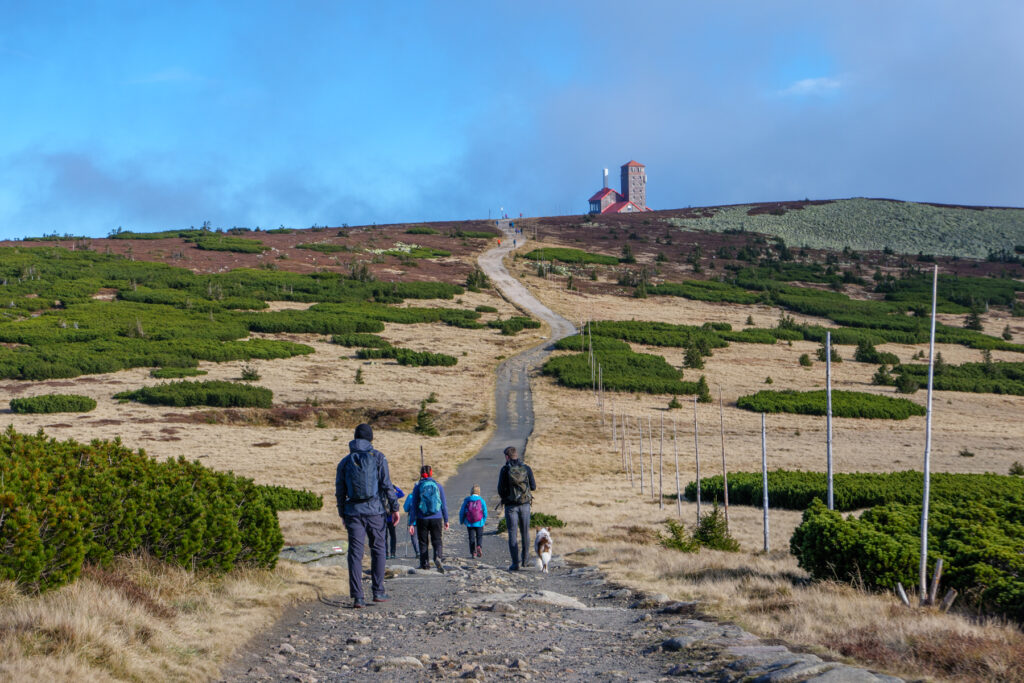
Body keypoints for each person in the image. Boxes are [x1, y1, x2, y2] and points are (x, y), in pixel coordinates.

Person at [335, 423, 400, 608]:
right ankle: (378, 591)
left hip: (353, 513)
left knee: (355, 554)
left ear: (355, 438)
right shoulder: (379, 457)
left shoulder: (345, 462)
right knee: (378, 549)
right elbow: (387, 485)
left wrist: (342, 513)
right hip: (375, 512)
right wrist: (395, 508)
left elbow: (340, 491)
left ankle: (358, 597)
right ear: (371, 438)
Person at [497, 445, 536, 571]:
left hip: (511, 506)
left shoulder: (504, 470)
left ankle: (515, 563)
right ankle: (525, 561)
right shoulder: (526, 468)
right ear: (516, 455)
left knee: (512, 534)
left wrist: (507, 497)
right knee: (525, 533)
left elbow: (500, 490)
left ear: (507, 457)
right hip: (525, 505)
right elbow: (533, 487)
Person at [407, 465, 449, 573]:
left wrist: (411, 522)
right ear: (431, 473)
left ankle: (424, 564)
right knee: (437, 539)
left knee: (423, 541)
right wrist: (446, 519)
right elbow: (443, 504)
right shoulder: (438, 486)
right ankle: (438, 558)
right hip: (437, 517)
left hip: (422, 518)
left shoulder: (418, 487)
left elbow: (414, 506)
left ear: (421, 474)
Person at [459, 484, 488, 558]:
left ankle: (473, 552)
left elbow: (462, 511)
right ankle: (479, 546)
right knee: (479, 536)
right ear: (479, 492)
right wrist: (483, 521)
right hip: (479, 523)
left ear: (471, 491)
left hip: (469, 523)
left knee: (471, 537)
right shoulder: (481, 500)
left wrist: (461, 520)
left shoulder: (467, 500)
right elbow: (485, 512)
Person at [386, 485, 405, 559]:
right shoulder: (394, 495)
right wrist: (396, 487)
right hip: (392, 519)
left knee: (384, 537)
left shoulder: (384, 495)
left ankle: (386, 553)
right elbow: (402, 493)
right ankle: (393, 553)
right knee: (393, 536)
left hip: (383, 519)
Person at [403, 482, 420, 558]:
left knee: (414, 537)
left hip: (412, 520)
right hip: (423, 518)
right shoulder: (424, 495)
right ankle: (423, 552)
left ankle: (418, 552)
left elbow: (406, 508)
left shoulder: (410, 496)